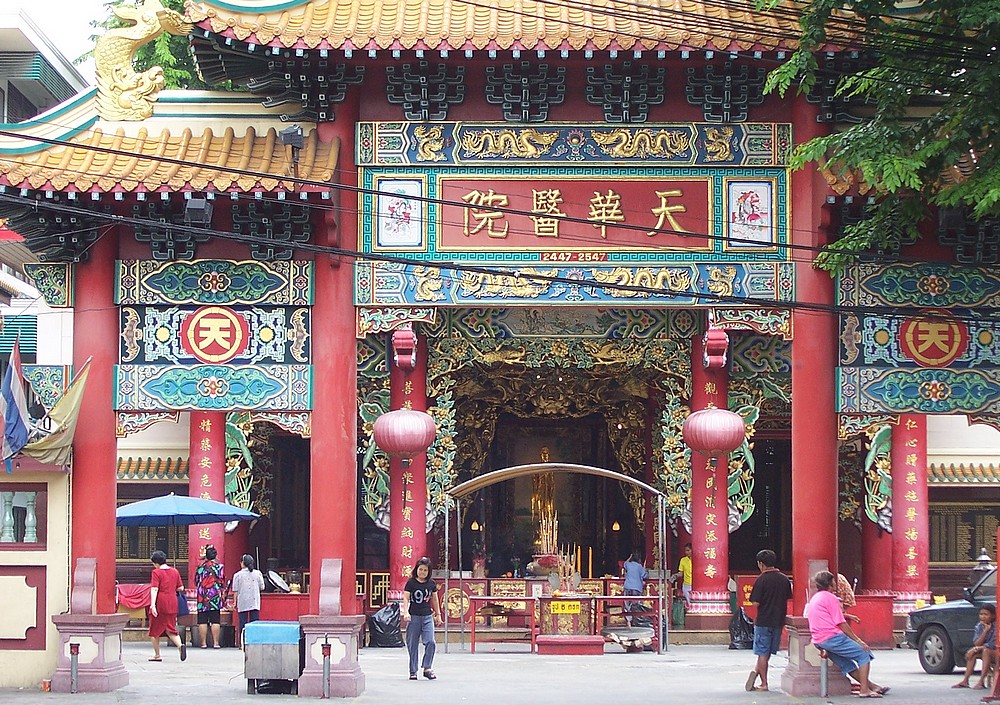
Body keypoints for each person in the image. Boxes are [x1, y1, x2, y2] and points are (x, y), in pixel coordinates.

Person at [806, 570, 888, 698]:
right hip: (832, 637)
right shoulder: (831, 598)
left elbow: (827, 614)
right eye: (833, 582)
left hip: (818, 640)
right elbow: (841, 623)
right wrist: (858, 640)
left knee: (847, 664)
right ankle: (864, 690)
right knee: (863, 654)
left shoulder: (816, 598)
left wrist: (848, 615)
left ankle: (872, 686)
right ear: (830, 584)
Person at [745, 549, 792, 692]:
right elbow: (789, 597)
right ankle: (756, 671)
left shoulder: (761, 579)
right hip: (778, 620)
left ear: (761, 564)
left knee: (762, 652)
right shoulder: (784, 579)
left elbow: (755, 603)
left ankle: (764, 683)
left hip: (764, 620)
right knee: (767, 653)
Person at [401, 556, 442, 681]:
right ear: (416, 569)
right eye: (420, 569)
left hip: (427, 616)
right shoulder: (411, 583)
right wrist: (406, 612)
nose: (422, 572)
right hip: (414, 617)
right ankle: (413, 671)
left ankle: (427, 668)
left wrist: (438, 615)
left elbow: (434, 599)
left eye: (425, 570)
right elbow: (406, 598)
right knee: (412, 644)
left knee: (430, 642)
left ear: (428, 571)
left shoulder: (431, 584)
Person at [148, 550, 187, 662]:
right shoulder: (175, 571)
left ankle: (157, 655)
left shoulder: (156, 572)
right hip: (173, 601)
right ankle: (180, 646)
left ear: (156, 563)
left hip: (161, 602)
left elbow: (154, 588)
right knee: (171, 628)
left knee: (154, 629)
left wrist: (152, 605)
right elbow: (181, 588)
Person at [953, 604, 996, 689]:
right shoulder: (979, 626)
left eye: (986, 614)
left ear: (993, 616)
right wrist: (985, 631)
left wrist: (976, 649)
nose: (983, 617)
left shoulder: (996, 626)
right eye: (981, 614)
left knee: (985, 651)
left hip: (994, 651)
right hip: (985, 650)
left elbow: (992, 644)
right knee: (973, 655)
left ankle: (981, 681)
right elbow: (977, 643)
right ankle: (965, 681)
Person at [195, 544, 226, 649]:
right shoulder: (219, 567)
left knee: (202, 620)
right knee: (215, 619)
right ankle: (216, 643)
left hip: (202, 596)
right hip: (214, 596)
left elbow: (196, 581)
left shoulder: (200, 567)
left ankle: (203, 643)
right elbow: (221, 582)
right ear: (215, 556)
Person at [231, 554, 265, 646]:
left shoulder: (237, 575)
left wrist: (235, 602)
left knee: (243, 622)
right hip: (254, 600)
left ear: (242, 563)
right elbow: (262, 587)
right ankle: (254, 641)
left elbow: (235, 590)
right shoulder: (258, 573)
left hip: (243, 600)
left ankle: (242, 642)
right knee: (255, 622)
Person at [622, 551, 649, 625]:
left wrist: (629, 557)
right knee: (636, 605)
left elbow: (624, 564)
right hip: (636, 588)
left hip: (627, 587)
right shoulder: (640, 566)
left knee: (627, 605)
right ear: (639, 559)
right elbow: (645, 576)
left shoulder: (628, 564)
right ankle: (636, 621)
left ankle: (628, 621)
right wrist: (645, 570)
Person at [677, 543, 693, 609]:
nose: (686, 552)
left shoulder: (697, 559)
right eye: (686, 550)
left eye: (688, 550)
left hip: (696, 584)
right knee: (690, 604)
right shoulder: (683, 560)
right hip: (686, 584)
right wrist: (674, 576)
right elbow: (681, 573)